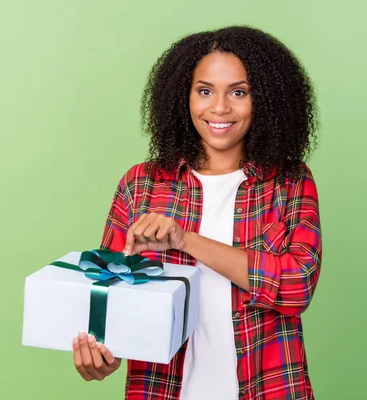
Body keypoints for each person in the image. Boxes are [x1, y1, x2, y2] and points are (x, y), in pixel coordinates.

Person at [71, 25, 322, 400]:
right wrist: (103, 356)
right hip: (163, 390)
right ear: (182, 97)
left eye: (239, 92)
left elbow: (296, 286)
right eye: (205, 91)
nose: (219, 107)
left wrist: (184, 240)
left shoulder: (288, 182)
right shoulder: (141, 185)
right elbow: (113, 299)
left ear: (266, 99)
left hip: (267, 387)